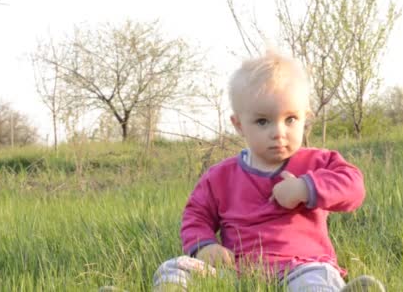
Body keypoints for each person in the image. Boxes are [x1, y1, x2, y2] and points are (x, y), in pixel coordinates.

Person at [153, 50, 385, 291]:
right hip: (239, 275)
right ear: (239, 125)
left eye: (291, 119)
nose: (278, 132)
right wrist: (204, 246)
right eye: (263, 121)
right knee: (174, 268)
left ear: (306, 118)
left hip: (303, 266)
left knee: (316, 281)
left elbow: (353, 186)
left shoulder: (317, 162)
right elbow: (196, 215)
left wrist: (305, 187)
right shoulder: (220, 177)